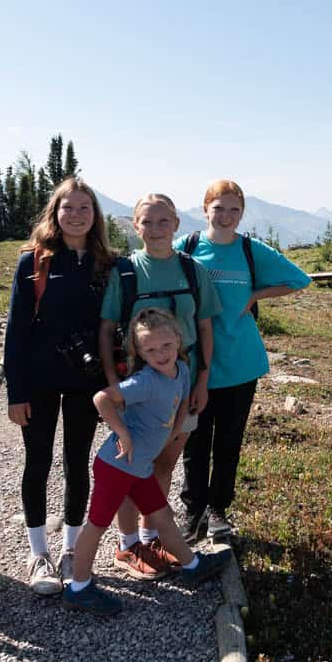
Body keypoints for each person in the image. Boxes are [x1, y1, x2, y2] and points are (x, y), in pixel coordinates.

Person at [65, 308, 229, 614]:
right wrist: (123, 433)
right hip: (116, 466)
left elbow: (181, 401)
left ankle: (192, 566)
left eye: (166, 345)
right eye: (150, 349)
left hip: (139, 468)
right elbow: (101, 399)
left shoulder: (181, 368)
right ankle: (79, 588)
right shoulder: (144, 382)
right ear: (139, 352)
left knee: (162, 516)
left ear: (178, 340)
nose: (160, 354)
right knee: (96, 525)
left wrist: (174, 431)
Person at [177, 180, 311, 540]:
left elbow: (299, 279)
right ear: (205, 208)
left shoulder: (251, 250)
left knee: (228, 441)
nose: (225, 216)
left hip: (241, 363)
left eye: (233, 209)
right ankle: (193, 512)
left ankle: (218, 510)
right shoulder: (186, 248)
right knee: (195, 440)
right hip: (194, 363)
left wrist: (255, 295)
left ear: (242, 213)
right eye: (218, 208)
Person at [97, 193, 221, 580]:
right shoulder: (126, 271)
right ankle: (127, 544)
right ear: (135, 227)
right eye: (147, 222)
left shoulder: (193, 270)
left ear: (176, 224)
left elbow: (204, 327)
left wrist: (202, 380)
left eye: (163, 221)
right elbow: (105, 329)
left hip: (184, 386)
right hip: (138, 388)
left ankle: (152, 537)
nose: (155, 229)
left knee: (164, 462)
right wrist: (114, 382)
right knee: (132, 464)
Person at [4, 177, 114, 595]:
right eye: (68, 207)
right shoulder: (34, 261)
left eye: (84, 208)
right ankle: (38, 554)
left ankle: (70, 550)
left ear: (95, 215)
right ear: (55, 212)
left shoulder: (107, 264)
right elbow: (16, 331)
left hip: (86, 381)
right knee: (37, 461)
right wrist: (16, 392)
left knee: (76, 462)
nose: (76, 215)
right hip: (40, 379)